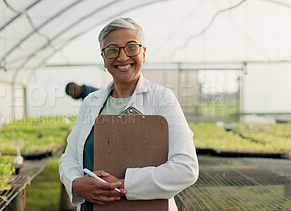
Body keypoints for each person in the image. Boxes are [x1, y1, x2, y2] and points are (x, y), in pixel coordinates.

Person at [59, 18, 198, 211]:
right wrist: (75, 182)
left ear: (143, 52)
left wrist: (123, 186)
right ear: (103, 57)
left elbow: (185, 168)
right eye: (112, 50)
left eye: (131, 47)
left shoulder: (161, 99)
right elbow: (70, 157)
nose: (123, 57)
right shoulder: (91, 102)